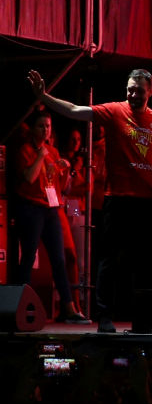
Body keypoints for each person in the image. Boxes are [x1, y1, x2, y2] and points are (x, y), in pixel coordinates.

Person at [29, 68, 152, 333]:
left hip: (148, 201)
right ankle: (105, 317)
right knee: (109, 260)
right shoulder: (114, 111)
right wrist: (45, 97)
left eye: (139, 90)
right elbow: (75, 110)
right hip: (119, 198)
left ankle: (144, 322)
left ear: (151, 91)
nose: (133, 94)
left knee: (146, 263)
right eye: (130, 89)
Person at [11, 112, 90, 323]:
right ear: (33, 128)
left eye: (47, 126)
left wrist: (62, 170)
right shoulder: (26, 150)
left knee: (59, 259)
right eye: (41, 126)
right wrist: (40, 156)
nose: (45, 130)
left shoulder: (53, 151)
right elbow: (29, 177)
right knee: (28, 257)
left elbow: (59, 186)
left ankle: (69, 309)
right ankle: (21, 306)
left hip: (51, 208)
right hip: (31, 207)